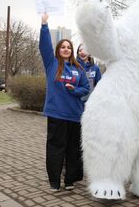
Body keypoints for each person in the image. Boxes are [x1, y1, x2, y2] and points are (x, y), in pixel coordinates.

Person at [39, 13, 90, 192]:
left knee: (73, 149)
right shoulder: (52, 64)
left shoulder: (79, 69)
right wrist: (44, 25)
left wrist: (74, 90)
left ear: (72, 50)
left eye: (69, 47)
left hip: (75, 116)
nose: (66, 49)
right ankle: (54, 181)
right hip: (56, 114)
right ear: (58, 50)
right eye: (63, 47)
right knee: (55, 148)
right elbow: (44, 46)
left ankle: (69, 180)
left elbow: (85, 89)